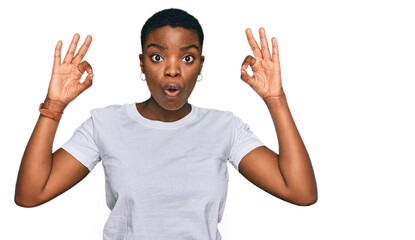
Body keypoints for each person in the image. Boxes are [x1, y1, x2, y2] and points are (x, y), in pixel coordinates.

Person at [15, 8, 317, 240]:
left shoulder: (224, 127)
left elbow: (300, 191)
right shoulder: (105, 124)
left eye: (187, 58)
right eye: (157, 56)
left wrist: (275, 99)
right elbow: (31, 194)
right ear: (142, 63)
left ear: (200, 65)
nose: (172, 70)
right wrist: (53, 106)